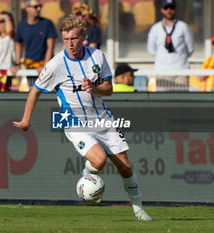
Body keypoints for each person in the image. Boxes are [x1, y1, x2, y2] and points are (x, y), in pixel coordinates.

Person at [13, 15, 153, 221]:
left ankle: (139, 209)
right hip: (74, 121)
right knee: (99, 159)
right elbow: (35, 91)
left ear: (83, 37)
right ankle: (88, 174)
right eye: (66, 39)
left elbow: (109, 90)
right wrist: (26, 120)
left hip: (102, 118)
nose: (70, 43)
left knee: (126, 166)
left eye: (74, 39)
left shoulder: (97, 56)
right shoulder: (55, 65)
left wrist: (94, 88)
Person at [147, 0, 194, 90]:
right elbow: (151, 49)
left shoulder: (183, 27)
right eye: (166, 8)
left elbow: (190, 48)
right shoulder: (155, 28)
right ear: (162, 10)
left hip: (180, 71)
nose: (169, 10)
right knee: (163, 102)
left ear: (175, 9)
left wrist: (179, 57)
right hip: (162, 71)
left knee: (181, 101)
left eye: (171, 8)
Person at [12, 0, 57, 75]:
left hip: (46, 67)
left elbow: (50, 47)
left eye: (40, 6)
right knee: (29, 86)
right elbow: (18, 45)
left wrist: (45, 66)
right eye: (36, 7)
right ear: (27, 8)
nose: (38, 9)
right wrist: (17, 64)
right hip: (29, 66)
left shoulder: (47, 23)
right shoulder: (21, 25)